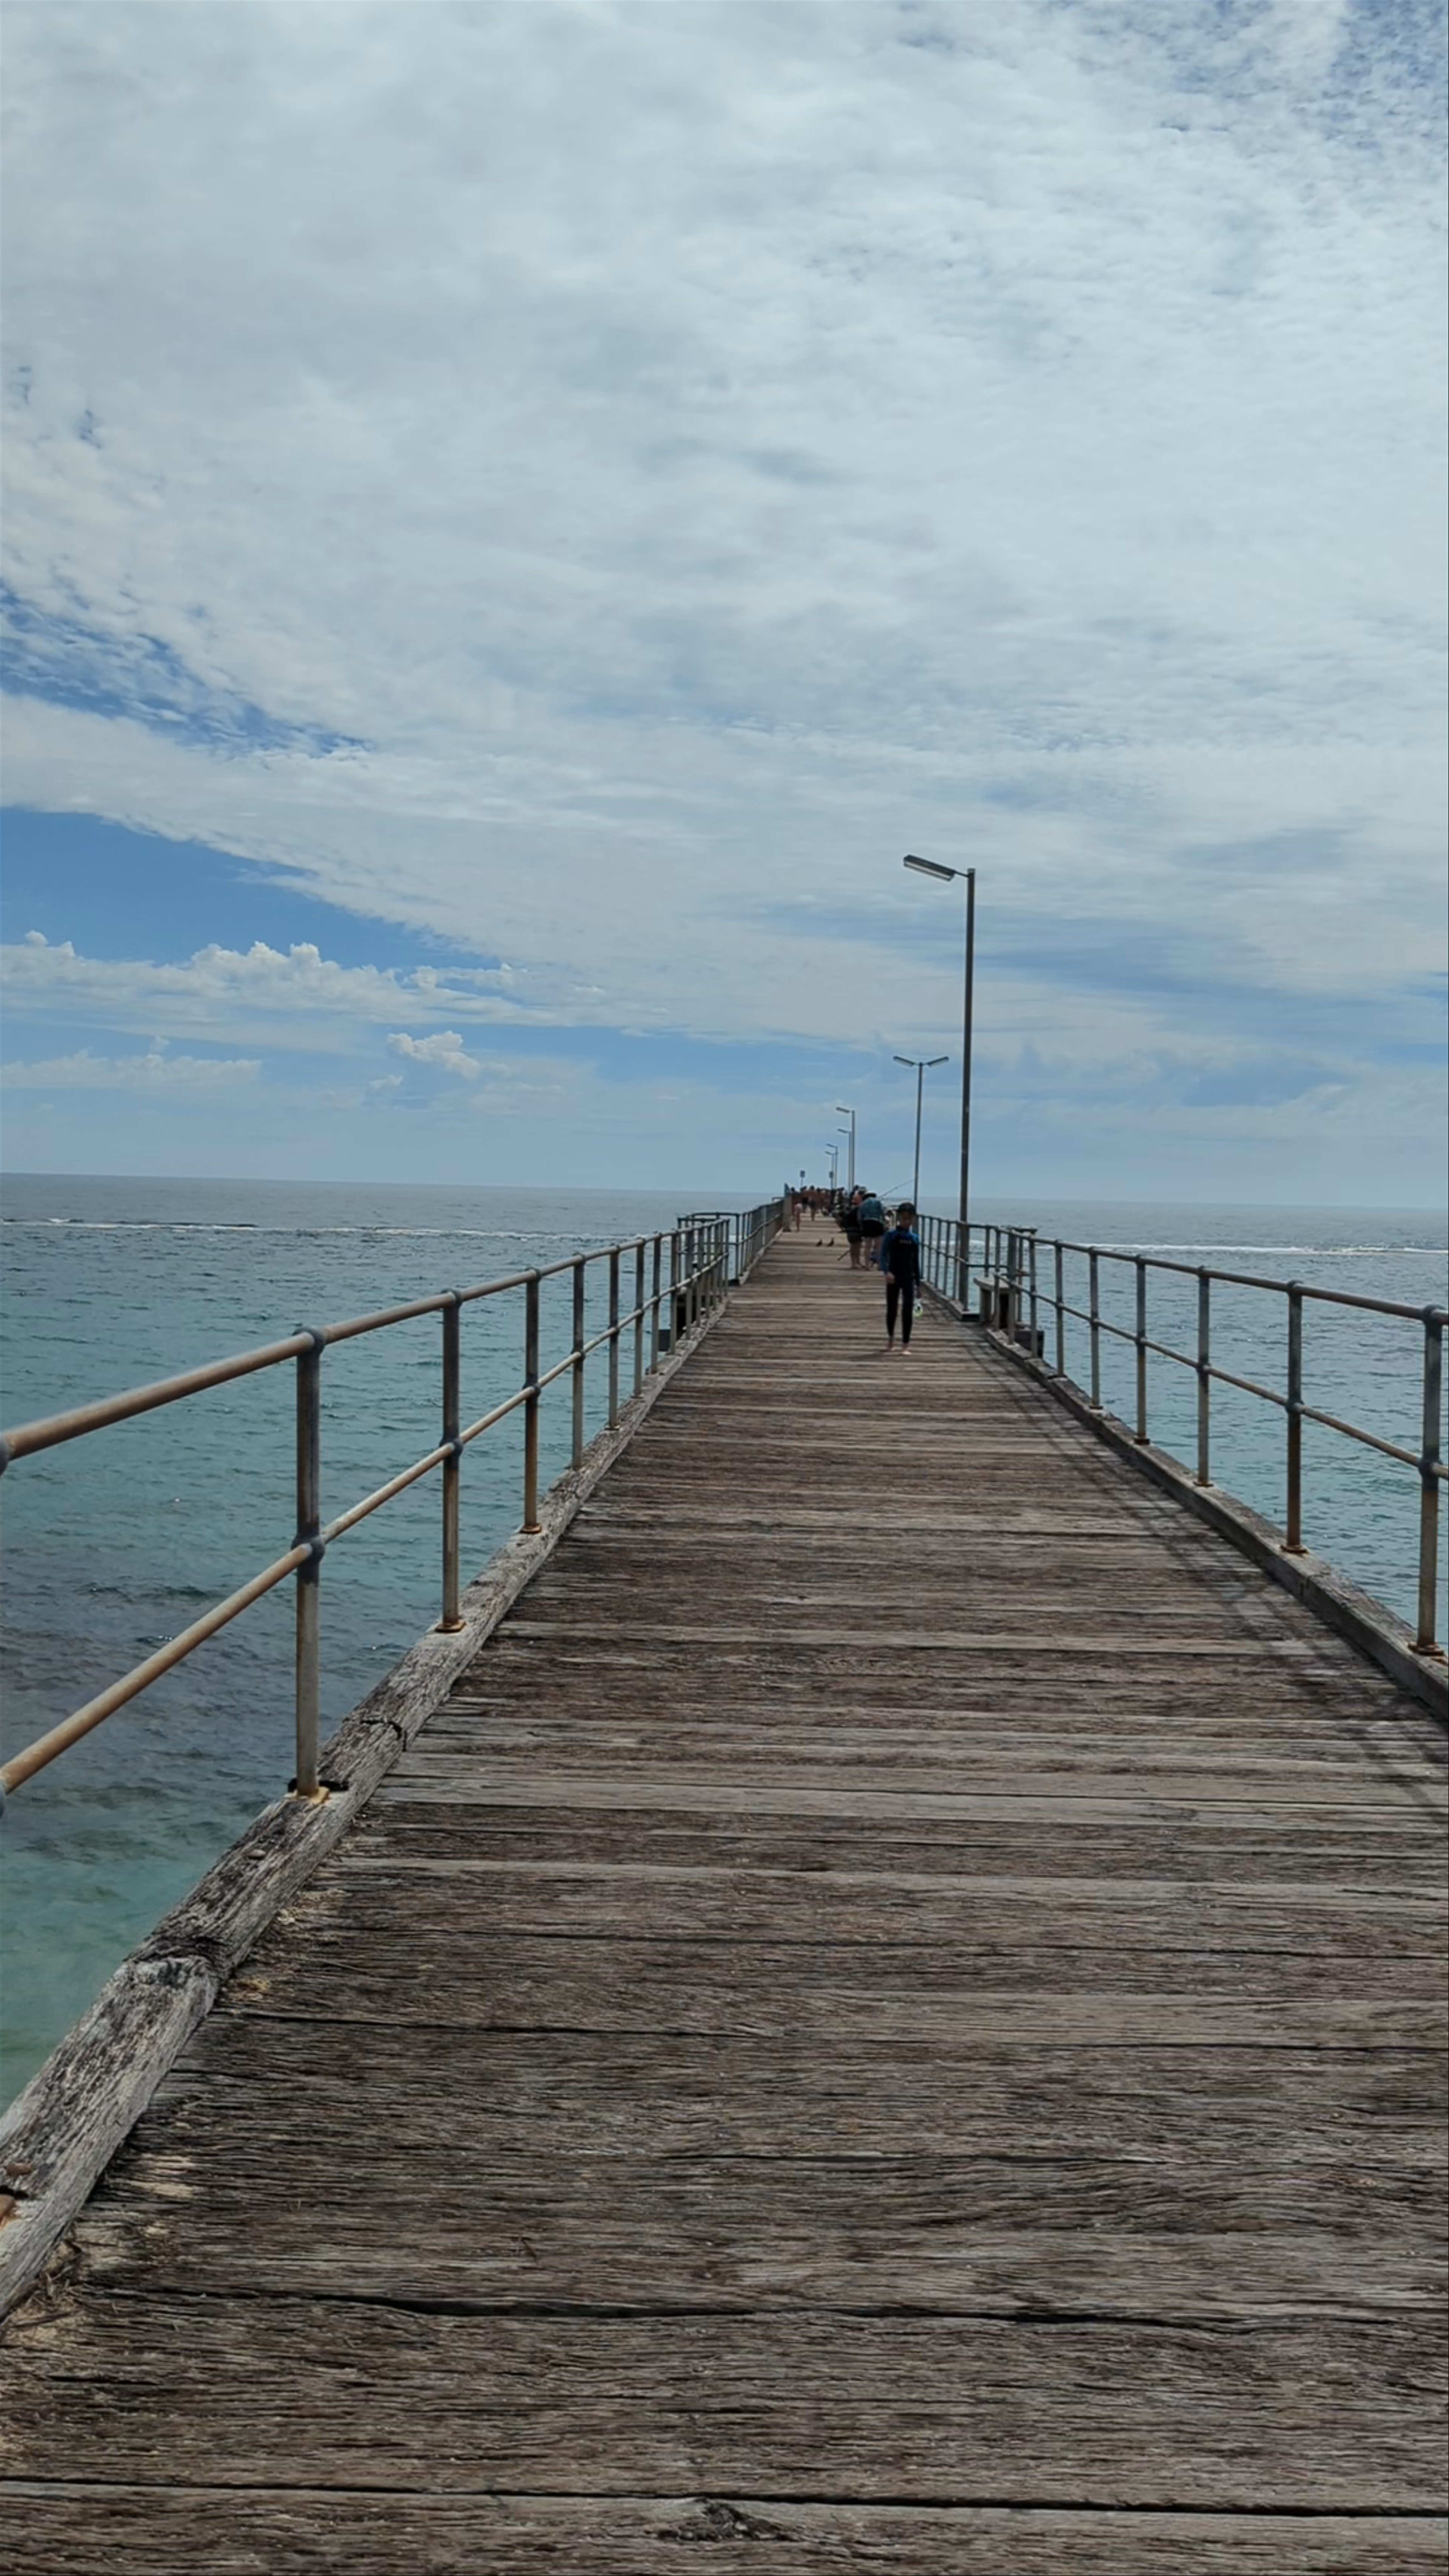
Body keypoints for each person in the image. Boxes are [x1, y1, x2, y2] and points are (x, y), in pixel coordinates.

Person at [880, 1200, 922, 1352]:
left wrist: (919, 1284)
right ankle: (891, 1339)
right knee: (892, 1309)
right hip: (894, 1276)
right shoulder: (892, 1235)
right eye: (904, 1219)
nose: (907, 1222)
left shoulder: (914, 1239)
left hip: (908, 1277)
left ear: (913, 1219)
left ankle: (906, 1344)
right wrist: (887, 1272)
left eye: (910, 1219)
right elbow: (883, 1256)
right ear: (898, 1218)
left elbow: (916, 1262)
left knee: (908, 1309)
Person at [855, 1187, 886, 1267]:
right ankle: (880, 1265)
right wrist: (884, 1223)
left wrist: (862, 1226)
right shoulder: (878, 1202)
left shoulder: (863, 1204)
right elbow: (883, 1213)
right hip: (877, 1223)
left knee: (867, 1246)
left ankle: (867, 1265)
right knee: (878, 1246)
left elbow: (859, 1217)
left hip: (867, 1224)